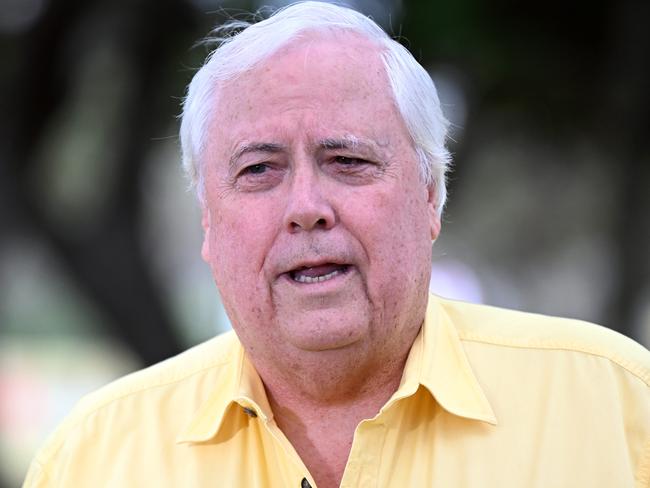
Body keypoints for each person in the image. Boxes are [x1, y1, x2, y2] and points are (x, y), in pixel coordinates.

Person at [24, 2, 650, 487]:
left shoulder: (616, 408)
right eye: (259, 170)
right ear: (208, 224)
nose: (306, 210)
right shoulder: (95, 458)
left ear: (430, 197)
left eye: (347, 159)